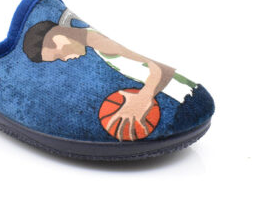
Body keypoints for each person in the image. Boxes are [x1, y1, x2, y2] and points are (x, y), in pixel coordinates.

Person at [23, 19, 196, 141]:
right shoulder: (94, 43)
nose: (65, 59)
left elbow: (160, 69)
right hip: (176, 93)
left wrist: (145, 96)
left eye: (58, 56)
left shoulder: (99, 42)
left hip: (181, 93)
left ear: (58, 39)